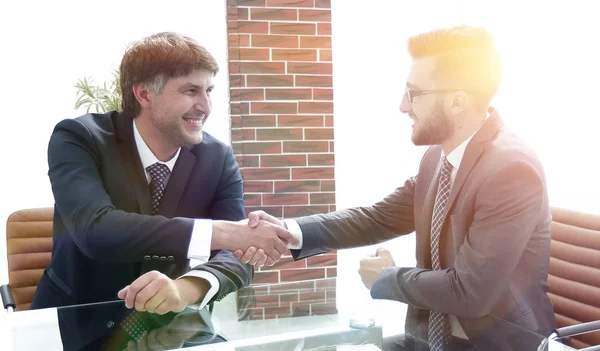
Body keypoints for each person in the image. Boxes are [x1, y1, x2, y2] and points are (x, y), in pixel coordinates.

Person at [241, 25, 557, 350]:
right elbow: (377, 218)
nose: (403, 106)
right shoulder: (438, 158)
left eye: (414, 93)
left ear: (457, 102)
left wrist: (387, 277)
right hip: (429, 341)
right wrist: (289, 231)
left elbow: (470, 293)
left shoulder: (511, 170)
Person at [31, 32, 297, 320]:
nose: (206, 107)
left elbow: (235, 254)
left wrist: (188, 287)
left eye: (209, 91)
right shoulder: (79, 138)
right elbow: (95, 231)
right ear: (144, 94)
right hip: (73, 319)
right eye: (190, 91)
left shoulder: (218, 158)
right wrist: (224, 233)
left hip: (167, 324)